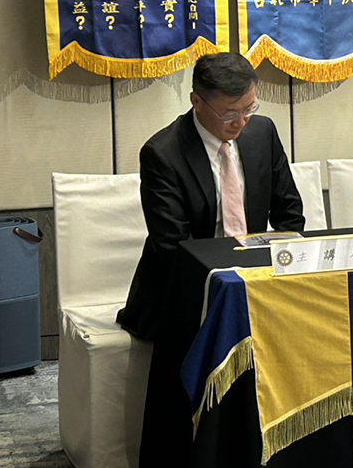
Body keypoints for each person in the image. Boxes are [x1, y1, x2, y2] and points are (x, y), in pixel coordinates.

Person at [118, 52, 303, 341]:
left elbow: (289, 212)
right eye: (229, 113)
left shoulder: (263, 132)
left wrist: (279, 269)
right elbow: (173, 247)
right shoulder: (163, 154)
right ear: (197, 102)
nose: (241, 122)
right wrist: (229, 285)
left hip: (256, 277)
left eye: (249, 108)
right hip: (187, 288)